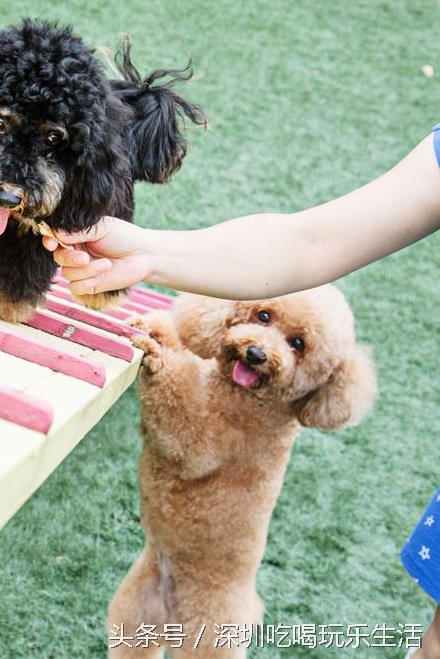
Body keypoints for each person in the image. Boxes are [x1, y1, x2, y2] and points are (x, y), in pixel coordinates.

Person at [43, 125, 440, 658]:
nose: (260, 347)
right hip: (162, 555)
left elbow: (189, 443)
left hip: (213, 591)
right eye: (264, 318)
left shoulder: (262, 426)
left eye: (295, 345)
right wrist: (148, 252)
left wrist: (162, 357)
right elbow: (310, 242)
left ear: (324, 375)